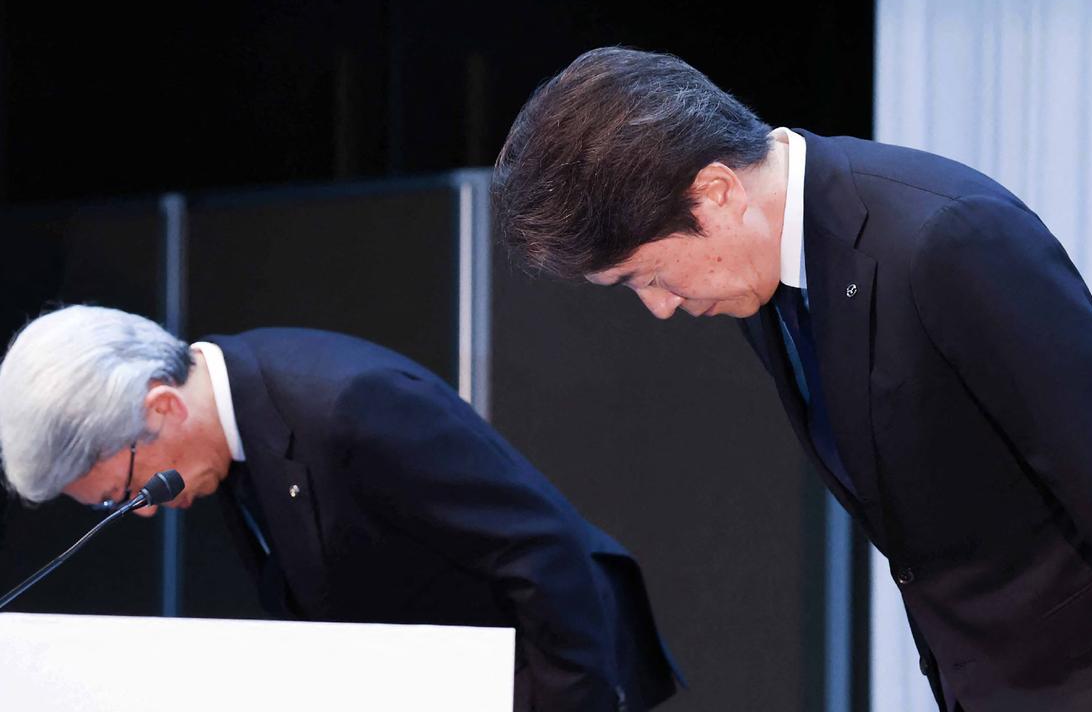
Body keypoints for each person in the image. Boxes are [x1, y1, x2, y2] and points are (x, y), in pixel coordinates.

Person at [491, 46, 1092, 711]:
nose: (660, 307)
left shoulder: (947, 239)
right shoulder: (764, 275)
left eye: (645, 277)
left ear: (715, 193)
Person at [0, 304, 680, 712]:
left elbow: (543, 550)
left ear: (162, 406)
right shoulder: (229, 434)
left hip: (541, 682)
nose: (143, 511)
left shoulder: (347, 403)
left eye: (124, 491)